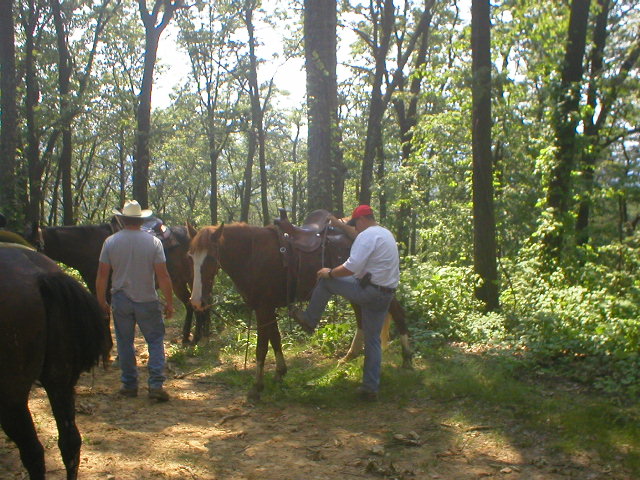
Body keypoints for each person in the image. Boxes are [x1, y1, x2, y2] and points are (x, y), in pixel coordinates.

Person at [291, 204, 400, 401]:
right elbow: (361, 255)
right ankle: (370, 388)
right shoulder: (385, 233)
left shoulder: (366, 236)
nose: (355, 228)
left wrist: (330, 272)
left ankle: (309, 319)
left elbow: (351, 267)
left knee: (326, 282)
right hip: (385, 294)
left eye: (355, 224)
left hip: (369, 291)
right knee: (373, 340)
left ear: (362, 220)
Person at [96, 200, 174, 401]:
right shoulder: (154, 242)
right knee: (155, 341)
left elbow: (102, 275)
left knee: (124, 342)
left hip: (121, 298)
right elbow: (163, 275)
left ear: (122, 220)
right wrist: (170, 302)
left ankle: (129, 385)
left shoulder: (110, 242)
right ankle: (155, 385)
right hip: (147, 298)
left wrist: (101, 300)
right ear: (141, 221)